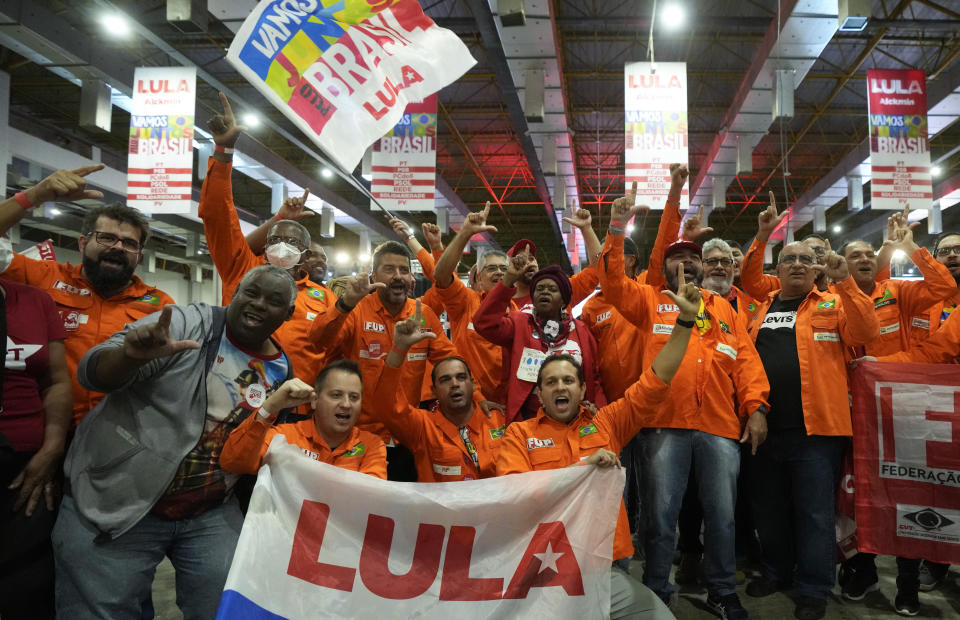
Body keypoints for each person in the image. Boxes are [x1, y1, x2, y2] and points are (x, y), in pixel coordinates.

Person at [52, 265, 297, 620]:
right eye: (251, 292)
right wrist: (129, 357)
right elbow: (93, 372)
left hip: (209, 511)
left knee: (227, 607)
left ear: (288, 313)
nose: (258, 304)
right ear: (234, 292)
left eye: (274, 301)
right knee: (99, 611)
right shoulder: (187, 324)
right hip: (120, 497)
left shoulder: (280, 367)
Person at [599, 183, 770, 619]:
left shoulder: (724, 309)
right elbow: (612, 282)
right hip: (661, 425)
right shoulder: (647, 300)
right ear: (664, 264)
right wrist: (617, 229)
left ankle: (721, 590)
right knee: (659, 520)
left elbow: (745, 360)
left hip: (717, 426)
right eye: (678, 256)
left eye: (693, 257)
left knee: (723, 518)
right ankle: (657, 592)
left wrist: (757, 407)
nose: (687, 262)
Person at [495, 262, 700, 620]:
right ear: (539, 395)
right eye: (551, 382)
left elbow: (657, 378)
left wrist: (685, 323)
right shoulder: (519, 435)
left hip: (605, 564)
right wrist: (581, 469)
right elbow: (517, 493)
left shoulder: (608, 423)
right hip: (543, 569)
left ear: (582, 388)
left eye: (568, 381)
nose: (561, 386)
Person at [743, 241, 879, 620]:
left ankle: (814, 588)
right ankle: (776, 572)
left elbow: (867, 331)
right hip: (764, 429)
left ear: (818, 269)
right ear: (779, 268)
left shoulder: (833, 303)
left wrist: (846, 281)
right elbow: (746, 363)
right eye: (790, 259)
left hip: (817, 431)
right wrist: (754, 408)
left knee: (815, 514)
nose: (798, 265)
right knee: (768, 511)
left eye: (806, 259)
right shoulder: (760, 308)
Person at [0, 166, 174, 425]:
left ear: (139, 255)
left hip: (117, 437)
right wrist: (35, 195)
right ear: (82, 243)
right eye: (107, 238)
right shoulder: (41, 277)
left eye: (129, 243)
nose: (118, 247)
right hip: (43, 429)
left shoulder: (160, 305)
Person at [199, 92, 335, 384]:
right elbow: (217, 215)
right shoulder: (241, 269)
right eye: (276, 238)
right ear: (266, 242)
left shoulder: (323, 297)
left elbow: (335, 352)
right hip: (232, 398)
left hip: (298, 411)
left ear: (305, 255)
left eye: (295, 243)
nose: (284, 246)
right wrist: (223, 151)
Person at [309, 240, 459, 481]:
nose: (398, 276)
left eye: (404, 270)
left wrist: (478, 399)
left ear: (411, 278)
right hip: (358, 437)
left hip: (407, 437)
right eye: (389, 269)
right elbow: (318, 341)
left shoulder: (424, 315)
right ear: (373, 275)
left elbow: (451, 361)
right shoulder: (356, 310)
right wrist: (346, 302)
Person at [367, 299, 507, 481]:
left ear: (473, 384)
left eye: (461, 377)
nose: (455, 384)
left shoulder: (499, 420)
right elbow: (386, 405)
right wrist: (399, 348)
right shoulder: (422, 427)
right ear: (434, 391)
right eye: (445, 380)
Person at [0, 280, 71, 620]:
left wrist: (52, 447)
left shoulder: (34, 301)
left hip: (29, 463)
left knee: (29, 587)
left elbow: (56, 381)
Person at [473, 259, 606, 424]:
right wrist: (508, 279)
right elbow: (483, 323)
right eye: (539, 289)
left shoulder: (582, 331)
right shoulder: (519, 323)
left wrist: (600, 414)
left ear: (564, 300)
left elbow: (594, 378)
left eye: (552, 289)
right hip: (529, 422)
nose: (545, 292)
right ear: (533, 297)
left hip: (576, 421)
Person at [220, 360, 386, 479]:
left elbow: (370, 500)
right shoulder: (284, 437)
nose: (346, 404)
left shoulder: (371, 445)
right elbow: (232, 463)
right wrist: (270, 407)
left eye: (354, 397)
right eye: (336, 395)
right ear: (314, 400)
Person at [430, 202, 509, 400]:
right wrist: (465, 233)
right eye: (491, 268)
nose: (499, 272)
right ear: (479, 278)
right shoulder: (465, 301)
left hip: (510, 407)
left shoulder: (517, 311)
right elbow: (440, 274)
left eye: (504, 269)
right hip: (470, 403)